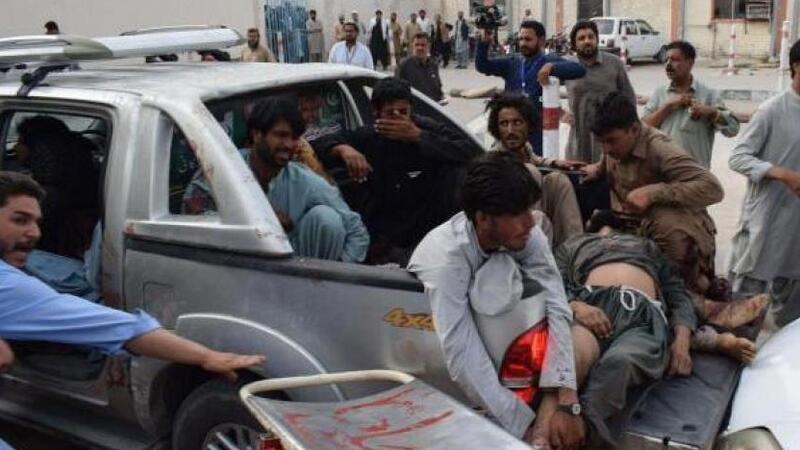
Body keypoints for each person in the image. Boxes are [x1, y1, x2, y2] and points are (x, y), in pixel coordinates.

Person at [0, 171, 265, 384]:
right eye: (20, 220)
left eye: (36, 222)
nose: (35, 232)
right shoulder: (9, 287)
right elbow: (115, 327)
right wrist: (206, 356)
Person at [408, 153, 586, 449]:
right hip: (446, 372)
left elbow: (557, 303)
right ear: (482, 218)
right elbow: (462, 353)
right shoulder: (446, 258)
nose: (530, 222)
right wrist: (524, 427)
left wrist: (567, 398)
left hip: (512, 366)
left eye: (530, 209)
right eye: (517, 214)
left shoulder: (527, 234)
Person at [553, 224, 697, 447]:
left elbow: (678, 295)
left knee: (620, 362)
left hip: (641, 318)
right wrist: (576, 306)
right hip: (591, 307)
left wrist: (682, 341)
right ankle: (561, 422)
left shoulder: (646, 247)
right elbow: (552, 284)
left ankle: (584, 429)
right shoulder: (572, 245)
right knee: (572, 355)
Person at [314, 78, 482, 264]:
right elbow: (320, 144)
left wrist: (420, 137)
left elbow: (471, 151)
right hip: (387, 233)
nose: (398, 119)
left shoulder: (424, 128)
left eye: (403, 112)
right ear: (376, 113)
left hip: (429, 228)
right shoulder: (369, 137)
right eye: (390, 113)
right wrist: (342, 149)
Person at [184, 97, 369, 263]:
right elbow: (192, 222)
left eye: (294, 138)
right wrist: (258, 224)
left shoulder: (303, 180)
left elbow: (356, 230)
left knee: (327, 219)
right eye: (281, 135)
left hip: (292, 273)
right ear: (257, 134)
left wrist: (340, 271)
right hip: (232, 266)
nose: (289, 145)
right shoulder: (224, 169)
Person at [582, 92, 724, 306]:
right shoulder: (616, 146)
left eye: (611, 141)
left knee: (665, 221)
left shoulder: (660, 149)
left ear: (634, 130)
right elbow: (608, 160)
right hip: (632, 227)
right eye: (601, 142)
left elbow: (713, 188)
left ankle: (690, 295)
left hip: (676, 235)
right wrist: (597, 169)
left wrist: (653, 192)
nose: (606, 149)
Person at [728, 39, 800, 328]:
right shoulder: (772, 110)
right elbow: (738, 157)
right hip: (767, 218)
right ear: (796, 66)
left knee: (791, 313)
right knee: (747, 306)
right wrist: (781, 173)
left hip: (796, 225)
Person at [486, 94, 583, 248]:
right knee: (529, 172)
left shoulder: (524, 148)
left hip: (541, 217)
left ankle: (574, 249)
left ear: (528, 125)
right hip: (514, 234)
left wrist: (554, 162)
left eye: (517, 123)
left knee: (558, 180)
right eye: (504, 124)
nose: (510, 130)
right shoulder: (495, 159)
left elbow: (535, 159)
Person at [476, 20, 586, 155]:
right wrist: (483, 43)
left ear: (541, 41)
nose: (523, 43)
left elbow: (579, 70)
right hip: (512, 132)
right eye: (521, 39)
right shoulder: (512, 63)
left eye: (528, 39)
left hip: (537, 134)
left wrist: (552, 67)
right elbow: (482, 65)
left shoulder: (547, 60)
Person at [643, 41, 739, 168]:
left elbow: (733, 130)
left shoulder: (708, 95)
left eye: (675, 60)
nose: (668, 65)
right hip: (663, 171)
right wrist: (667, 107)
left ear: (690, 63)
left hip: (695, 173)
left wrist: (711, 112)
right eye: (667, 59)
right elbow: (642, 128)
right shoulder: (660, 93)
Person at [564, 20, 635, 163]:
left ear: (597, 39)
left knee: (609, 173)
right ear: (574, 44)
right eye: (581, 38)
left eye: (591, 37)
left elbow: (629, 97)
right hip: (579, 138)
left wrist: (629, 130)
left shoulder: (614, 63)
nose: (587, 41)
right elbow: (543, 90)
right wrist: (560, 113)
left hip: (609, 138)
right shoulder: (566, 65)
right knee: (578, 173)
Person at [395, 33, 443, 103]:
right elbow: (396, 91)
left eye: (423, 45)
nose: (420, 48)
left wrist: (442, 97)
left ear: (429, 46)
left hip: (432, 106)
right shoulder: (404, 66)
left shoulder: (433, 65)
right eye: (417, 45)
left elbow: (438, 88)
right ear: (412, 46)